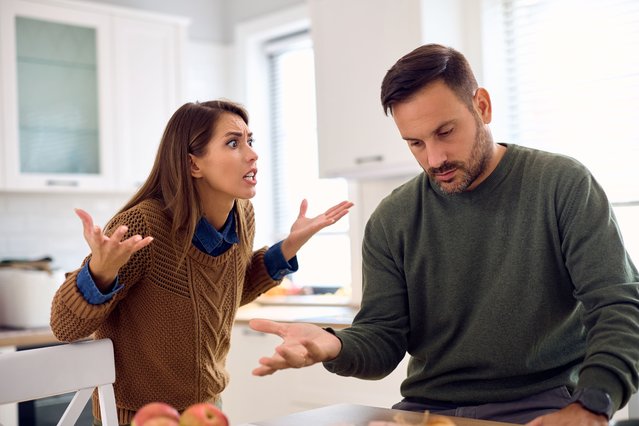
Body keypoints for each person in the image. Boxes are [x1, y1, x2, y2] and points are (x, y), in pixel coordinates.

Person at [248, 44, 639, 425]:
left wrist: (592, 405)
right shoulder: (392, 219)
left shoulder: (560, 184)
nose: (434, 159)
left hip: (539, 407)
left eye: (445, 132)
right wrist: (332, 344)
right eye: (415, 143)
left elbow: (618, 304)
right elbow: (382, 338)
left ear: (482, 106)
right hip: (425, 411)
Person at [49, 99, 353, 425]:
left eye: (250, 141)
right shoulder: (144, 226)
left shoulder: (242, 215)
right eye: (233, 143)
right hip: (139, 417)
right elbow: (65, 327)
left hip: (207, 408)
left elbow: (224, 294)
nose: (252, 154)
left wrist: (288, 248)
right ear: (194, 164)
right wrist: (101, 272)